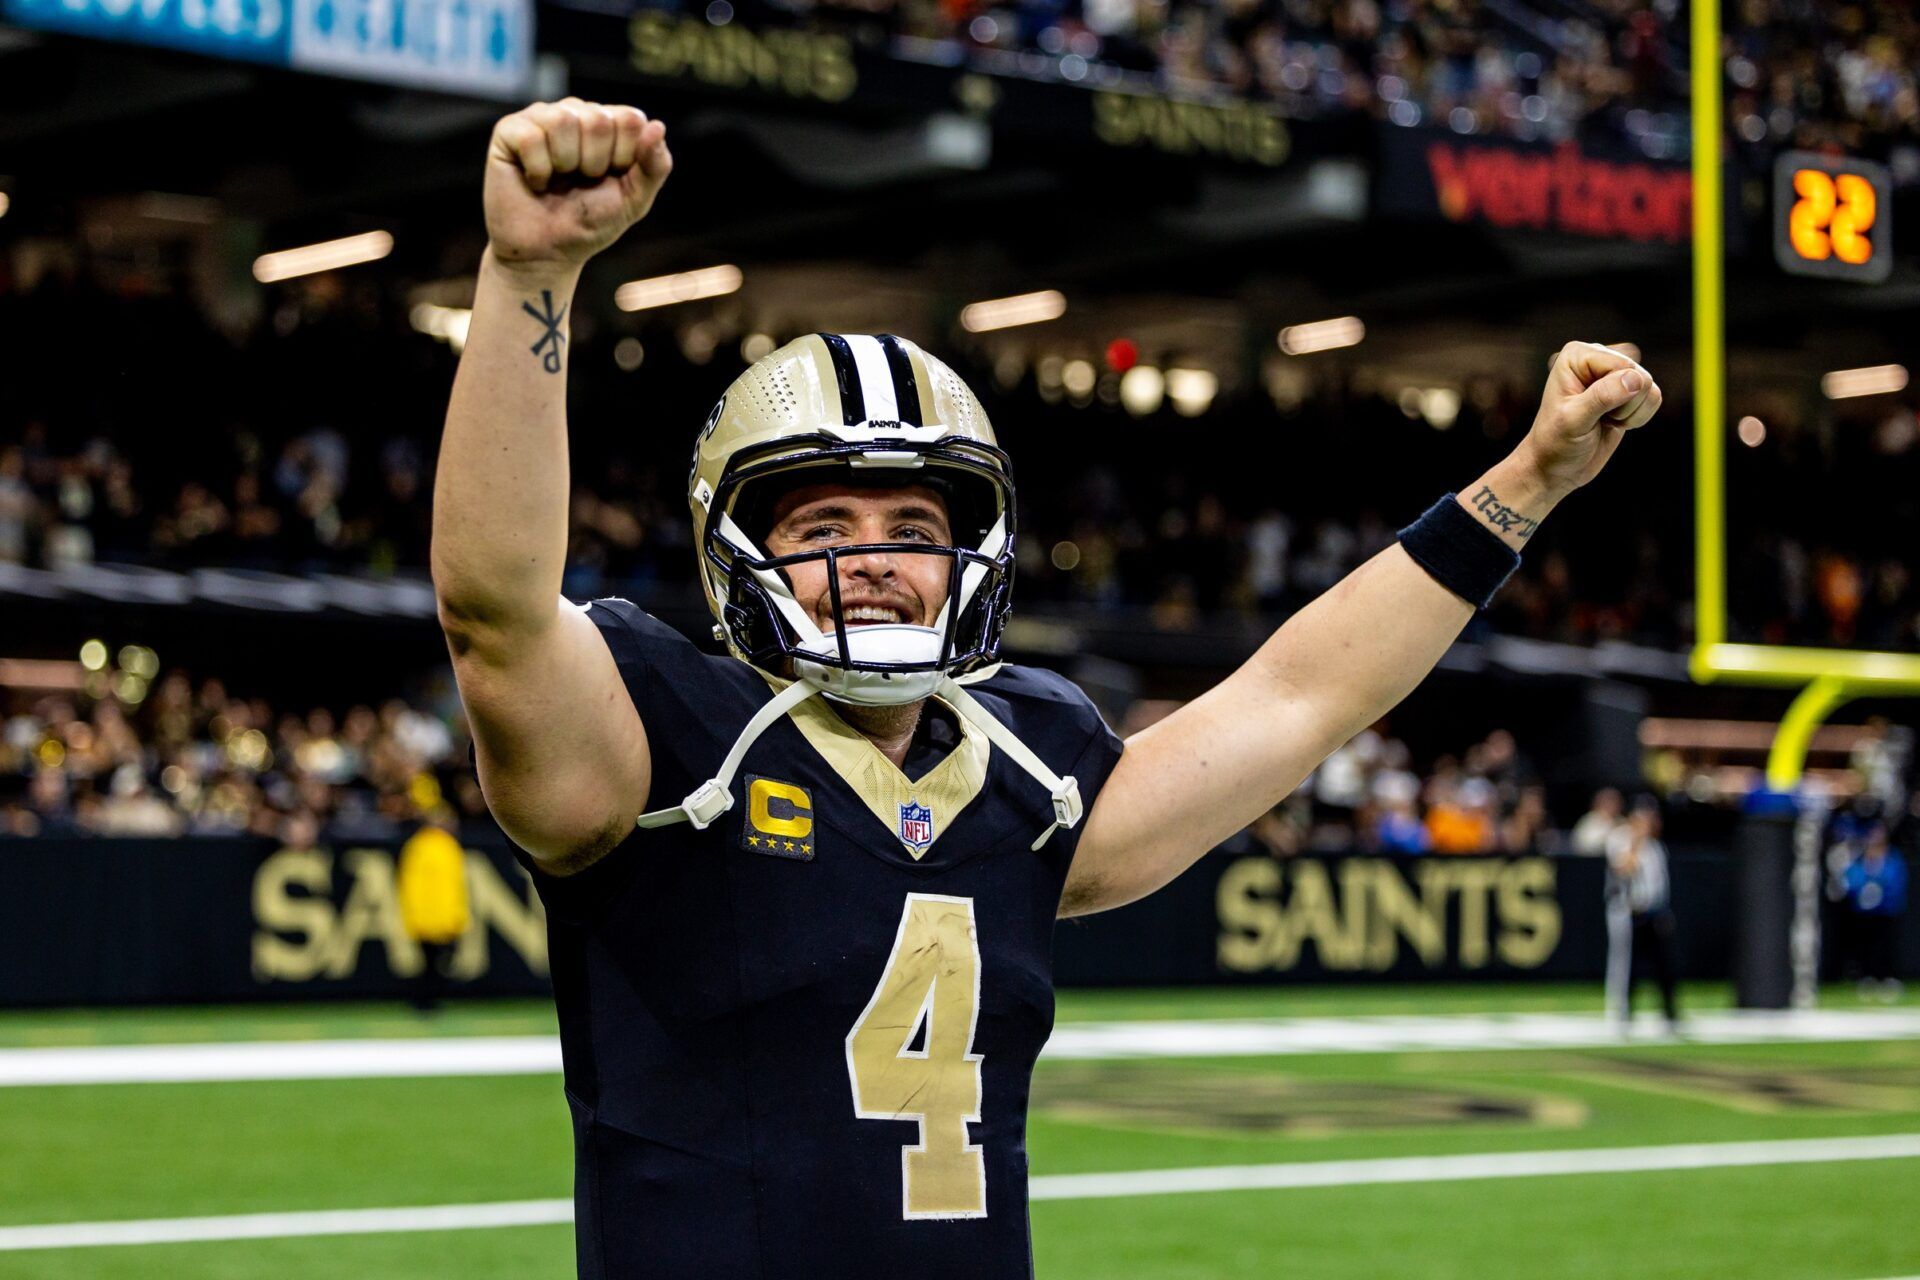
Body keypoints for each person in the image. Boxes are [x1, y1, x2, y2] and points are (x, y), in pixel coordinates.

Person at [431, 97, 1664, 1279]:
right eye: (824, 518)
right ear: (733, 543)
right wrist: (531, 275)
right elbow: (493, 611)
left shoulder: (1027, 766)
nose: (873, 555)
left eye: (914, 521)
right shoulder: (661, 744)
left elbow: (1300, 697)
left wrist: (1525, 483)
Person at [1604, 796, 1680, 1031]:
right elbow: (1624, 869)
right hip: (1629, 912)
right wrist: (1636, 841)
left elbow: (1659, 884)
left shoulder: (1656, 846)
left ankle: (1670, 1013)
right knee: (1626, 966)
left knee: (1663, 965)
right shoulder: (1620, 839)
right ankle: (1622, 1011)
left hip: (1654, 912)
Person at [396, 810, 471, 1012]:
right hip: (433, 919)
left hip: (438, 918)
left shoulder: (437, 846)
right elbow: (416, 887)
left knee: (435, 965)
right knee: (430, 965)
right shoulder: (427, 846)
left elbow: (454, 887)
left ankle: (430, 1000)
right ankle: (424, 1001)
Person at [1842, 822, 1908, 1000]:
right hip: (1864, 912)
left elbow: (1896, 880)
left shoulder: (1892, 859)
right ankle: (1867, 977)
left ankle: (1887, 977)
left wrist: (1880, 891)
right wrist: (1863, 890)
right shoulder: (1861, 860)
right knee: (1866, 945)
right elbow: (1851, 878)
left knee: (1886, 945)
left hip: (1885, 910)